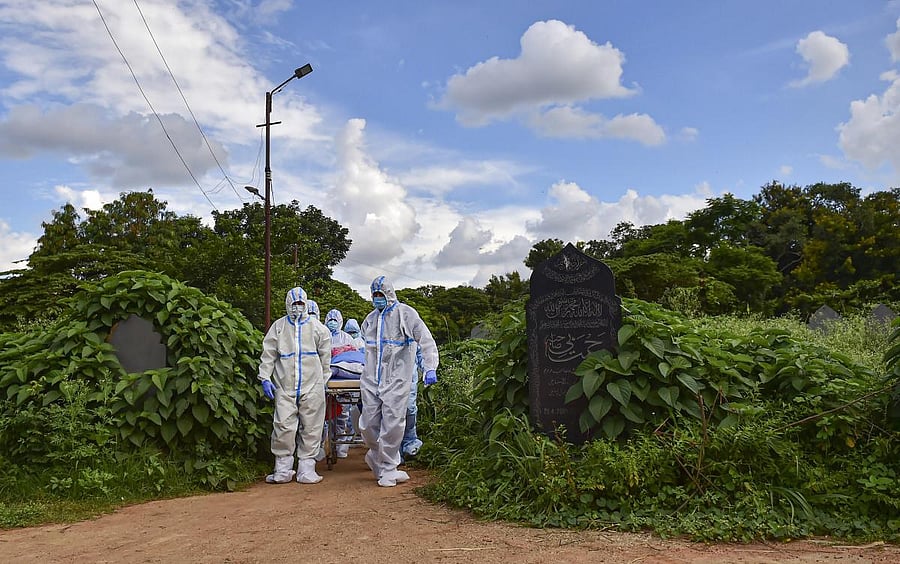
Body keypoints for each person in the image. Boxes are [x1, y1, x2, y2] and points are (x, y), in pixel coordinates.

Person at [359, 275, 438, 487]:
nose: (377, 298)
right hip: (371, 379)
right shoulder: (370, 319)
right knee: (367, 424)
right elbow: (363, 348)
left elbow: (426, 340)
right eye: (374, 295)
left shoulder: (406, 314)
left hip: (397, 378)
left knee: (393, 422)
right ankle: (377, 457)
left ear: (389, 293)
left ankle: (388, 468)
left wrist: (429, 367)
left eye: (381, 294)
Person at [258, 287, 332, 484]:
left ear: (306, 304)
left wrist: (322, 382)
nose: (297, 308)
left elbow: (326, 359)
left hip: (312, 385)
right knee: (283, 425)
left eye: (300, 304)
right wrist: (265, 377)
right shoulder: (279, 327)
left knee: (312, 426)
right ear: (287, 304)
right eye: (294, 304)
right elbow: (269, 354)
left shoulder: (318, 328)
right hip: (285, 385)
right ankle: (282, 469)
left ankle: (306, 469)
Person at [324, 308, 355, 458]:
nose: (332, 323)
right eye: (330, 320)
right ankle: (328, 442)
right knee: (327, 414)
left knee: (343, 412)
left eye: (335, 320)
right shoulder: (322, 335)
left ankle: (341, 442)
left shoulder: (347, 338)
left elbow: (354, 357)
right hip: (329, 376)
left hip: (344, 374)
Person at [400, 345, 425, 460]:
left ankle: (409, 442)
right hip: (387, 378)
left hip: (409, 376)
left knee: (409, 408)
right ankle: (393, 451)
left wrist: (427, 369)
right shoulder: (382, 330)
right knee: (390, 412)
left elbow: (423, 351)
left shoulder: (412, 329)